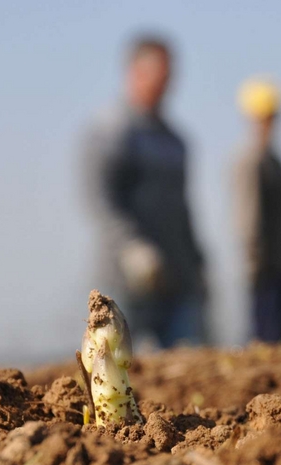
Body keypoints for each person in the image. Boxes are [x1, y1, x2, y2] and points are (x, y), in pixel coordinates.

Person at [81, 35, 206, 348]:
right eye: (158, 75)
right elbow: (100, 198)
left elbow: (182, 208)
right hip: (129, 279)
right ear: (135, 72)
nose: (165, 85)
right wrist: (131, 247)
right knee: (126, 366)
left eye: (169, 77)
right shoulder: (111, 132)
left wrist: (197, 259)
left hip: (178, 277)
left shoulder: (175, 141)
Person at [233, 77, 281, 344]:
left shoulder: (277, 162)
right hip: (266, 270)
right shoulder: (251, 163)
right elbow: (249, 217)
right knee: (268, 339)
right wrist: (254, 261)